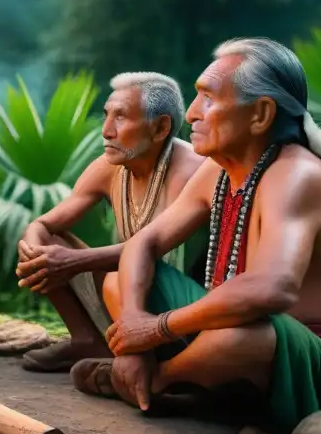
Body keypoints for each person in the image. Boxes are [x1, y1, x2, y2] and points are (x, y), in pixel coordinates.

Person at [74, 38, 321, 434]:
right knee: (121, 279)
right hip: (238, 325)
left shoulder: (296, 175)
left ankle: (160, 383)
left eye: (208, 97)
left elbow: (271, 290)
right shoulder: (220, 171)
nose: (191, 113)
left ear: (260, 114)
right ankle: (185, 385)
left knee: (242, 339)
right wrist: (133, 325)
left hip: (320, 361)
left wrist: (156, 330)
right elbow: (143, 243)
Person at [11, 72, 205, 372]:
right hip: (120, 296)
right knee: (45, 243)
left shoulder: (192, 172)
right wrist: (37, 255)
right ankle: (85, 340)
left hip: (177, 312)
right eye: (106, 115)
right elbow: (42, 225)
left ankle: (152, 363)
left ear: (160, 127)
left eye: (121, 117)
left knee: (108, 270)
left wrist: (72, 261)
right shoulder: (108, 167)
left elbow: (150, 249)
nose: (106, 131)